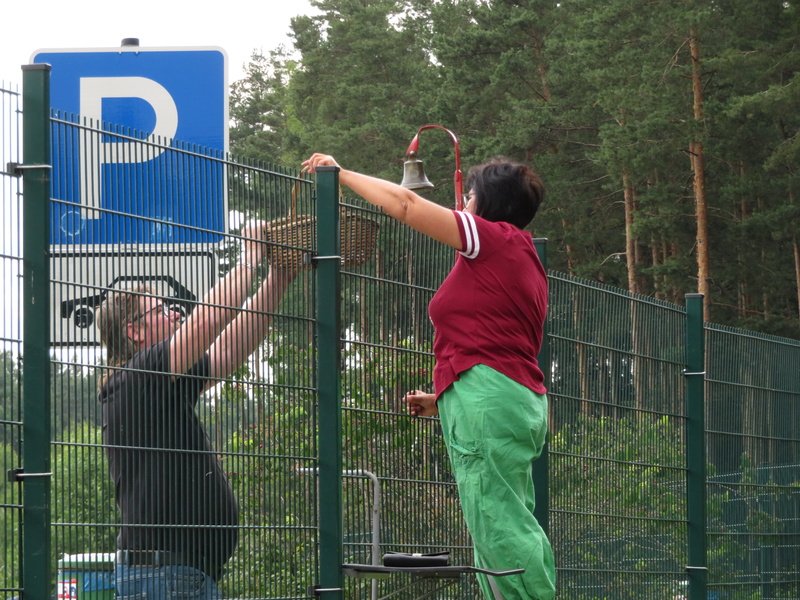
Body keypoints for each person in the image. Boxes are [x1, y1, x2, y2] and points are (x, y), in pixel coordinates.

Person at [302, 153, 556, 600]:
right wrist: (446, 399)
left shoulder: (494, 240)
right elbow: (499, 341)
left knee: (499, 522)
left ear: (486, 206)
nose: (463, 204)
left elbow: (405, 205)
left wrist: (341, 173)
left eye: (470, 196)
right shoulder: (521, 257)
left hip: (491, 399)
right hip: (504, 397)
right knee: (505, 521)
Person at [97, 221, 295, 600]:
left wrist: (278, 279)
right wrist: (250, 256)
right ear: (134, 331)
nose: (175, 313)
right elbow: (208, 320)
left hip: (176, 575)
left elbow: (227, 350)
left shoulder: (158, 381)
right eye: (162, 309)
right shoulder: (139, 375)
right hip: (165, 576)